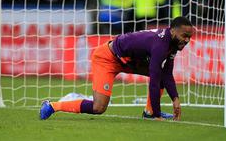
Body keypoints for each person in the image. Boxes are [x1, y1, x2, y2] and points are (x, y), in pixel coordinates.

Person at [40, 16, 195, 121]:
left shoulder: (172, 43)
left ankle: (149, 112)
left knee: (161, 74)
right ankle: (53, 105)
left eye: (189, 36)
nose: (187, 40)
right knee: (98, 107)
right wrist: (158, 114)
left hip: (127, 61)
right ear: (173, 30)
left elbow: (167, 74)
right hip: (107, 58)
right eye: (184, 35)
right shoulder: (160, 45)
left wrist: (175, 99)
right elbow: (154, 80)